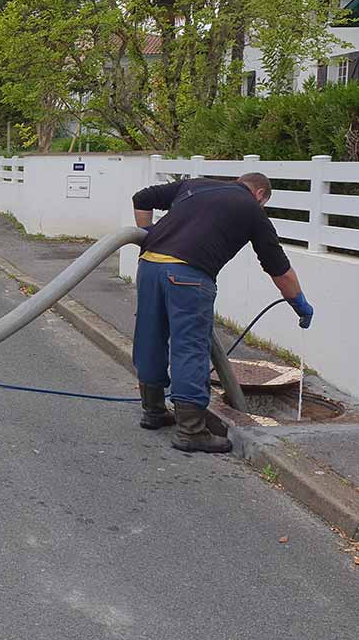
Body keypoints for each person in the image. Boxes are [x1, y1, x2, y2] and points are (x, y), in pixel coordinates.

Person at [131, 172, 314, 454]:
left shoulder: (195, 184)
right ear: (261, 195)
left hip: (149, 266)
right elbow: (278, 268)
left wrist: (148, 236)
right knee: (189, 348)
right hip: (189, 277)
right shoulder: (253, 210)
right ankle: (191, 430)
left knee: (149, 338)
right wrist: (298, 302)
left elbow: (142, 198)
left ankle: (153, 411)